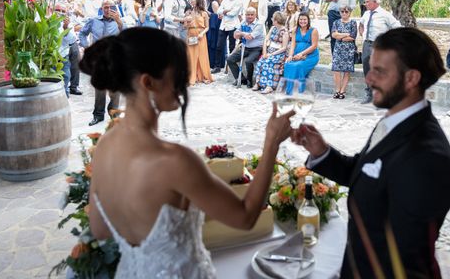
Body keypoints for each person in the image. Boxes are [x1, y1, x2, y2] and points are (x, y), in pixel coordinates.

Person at [81, 27, 293, 278]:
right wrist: (271, 144)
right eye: (177, 74)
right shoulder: (175, 161)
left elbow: (100, 230)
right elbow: (245, 217)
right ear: (148, 82)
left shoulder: (105, 145)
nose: (184, 83)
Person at [292, 27, 450, 278]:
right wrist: (322, 152)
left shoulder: (426, 157)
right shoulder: (393, 121)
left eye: (379, 71)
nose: (368, 79)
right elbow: (367, 172)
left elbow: (407, 261)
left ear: (411, 78)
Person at [79, 0, 124, 126]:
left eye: (111, 7)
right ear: (101, 8)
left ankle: (114, 113)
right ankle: (98, 115)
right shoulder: (94, 21)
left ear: (115, 8)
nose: (108, 9)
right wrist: (86, 46)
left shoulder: (120, 21)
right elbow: (82, 34)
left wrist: (119, 22)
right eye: (105, 7)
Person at [359, 0, 401, 104]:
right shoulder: (366, 14)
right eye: (365, 2)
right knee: (367, 69)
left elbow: (397, 27)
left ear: (375, 2)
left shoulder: (385, 14)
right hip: (367, 45)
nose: (365, 4)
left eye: (367, 2)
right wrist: (362, 34)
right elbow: (361, 24)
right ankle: (369, 94)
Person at [226, 7, 264, 87]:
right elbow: (235, 35)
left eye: (252, 15)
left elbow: (249, 37)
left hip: (256, 48)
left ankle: (249, 80)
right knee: (230, 59)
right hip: (245, 47)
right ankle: (241, 79)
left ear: (255, 15)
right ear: (245, 15)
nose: (249, 16)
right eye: (248, 15)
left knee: (248, 61)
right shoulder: (243, 22)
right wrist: (243, 34)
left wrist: (241, 33)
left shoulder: (259, 24)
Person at [253, 11, 289, 94]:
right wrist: (264, 51)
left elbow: (284, 47)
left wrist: (271, 54)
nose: (272, 19)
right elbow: (266, 39)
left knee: (268, 63)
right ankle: (258, 83)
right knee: (260, 62)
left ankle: (269, 86)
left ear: (276, 20)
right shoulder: (273, 28)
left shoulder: (285, 32)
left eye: (273, 18)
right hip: (269, 51)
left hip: (278, 53)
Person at [212, 0, 242, 74]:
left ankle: (229, 67)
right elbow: (219, 11)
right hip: (224, 25)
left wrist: (225, 12)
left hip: (233, 26)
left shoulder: (238, 1)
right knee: (219, 46)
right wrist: (226, 10)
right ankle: (217, 66)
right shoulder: (225, 0)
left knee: (232, 46)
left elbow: (234, 13)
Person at [283, 13, 319, 82]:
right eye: (301, 19)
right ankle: (290, 86)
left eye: (305, 19)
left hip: (310, 56)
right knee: (288, 64)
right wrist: (290, 55)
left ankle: (298, 87)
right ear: (298, 20)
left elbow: (314, 46)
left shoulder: (314, 30)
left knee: (298, 65)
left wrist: (301, 54)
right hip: (297, 54)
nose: (302, 21)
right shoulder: (295, 30)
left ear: (308, 20)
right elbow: (293, 44)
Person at [331, 6, 357, 99]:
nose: (344, 13)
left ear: (350, 12)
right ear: (340, 12)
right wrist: (346, 34)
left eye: (346, 11)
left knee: (347, 71)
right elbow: (334, 35)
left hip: (349, 50)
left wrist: (340, 36)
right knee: (336, 70)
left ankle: (343, 91)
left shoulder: (353, 23)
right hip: (338, 49)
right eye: (342, 11)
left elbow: (353, 37)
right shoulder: (336, 22)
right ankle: (337, 90)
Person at [186, 0, 213, 86]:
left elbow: (207, 27)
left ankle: (203, 76)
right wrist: (187, 22)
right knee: (191, 55)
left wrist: (202, 34)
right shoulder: (189, 12)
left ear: (198, 0)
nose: (191, 0)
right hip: (191, 34)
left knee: (201, 55)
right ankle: (193, 76)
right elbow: (185, 26)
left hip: (201, 35)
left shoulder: (204, 13)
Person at [62, 0, 83, 95]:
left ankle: (74, 86)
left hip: (74, 36)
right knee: (64, 63)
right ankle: (64, 86)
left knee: (76, 62)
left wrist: (76, 10)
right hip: (63, 38)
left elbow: (83, 20)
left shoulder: (76, 4)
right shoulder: (60, 4)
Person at [55, 2, 77, 97]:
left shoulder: (68, 24)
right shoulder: (47, 21)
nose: (60, 13)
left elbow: (72, 41)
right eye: (58, 10)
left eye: (63, 11)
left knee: (65, 81)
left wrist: (65, 29)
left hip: (63, 59)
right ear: (53, 10)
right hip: (50, 60)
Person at [206, 0, 221, 68]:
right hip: (210, 25)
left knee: (213, 43)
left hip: (214, 26)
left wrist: (206, 11)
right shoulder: (208, 2)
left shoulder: (214, 3)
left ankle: (214, 62)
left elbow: (216, 15)